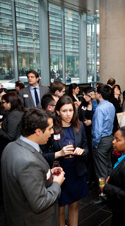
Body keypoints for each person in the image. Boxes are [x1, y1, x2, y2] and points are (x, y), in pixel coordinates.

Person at [1, 108, 65, 226]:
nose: (52, 132)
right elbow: (40, 203)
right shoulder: (28, 162)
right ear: (38, 131)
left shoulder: (10, 147)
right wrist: (57, 183)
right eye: (50, 128)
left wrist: (47, 173)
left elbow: (23, 180)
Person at [45, 96, 89, 226]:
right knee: (60, 207)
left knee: (74, 205)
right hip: (59, 173)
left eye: (71, 110)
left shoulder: (79, 126)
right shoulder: (52, 128)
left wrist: (82, 151)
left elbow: (87, 147)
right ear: (58, 111)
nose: (68, 114)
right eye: (64, 111)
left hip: (76, 171)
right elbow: (43, 154)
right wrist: (59, 153)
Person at [91, 84, 115, 205]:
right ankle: (110, 191)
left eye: (96, 92)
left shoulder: (100, 109)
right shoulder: (110, 105)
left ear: (99, 94)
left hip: (101, 141)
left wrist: (95, 142)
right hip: (109, 138)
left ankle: (103, 194)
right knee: (108, 166)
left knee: (101, 171)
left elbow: (98, 129)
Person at [78, 87, 96, 185]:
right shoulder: (82, 105)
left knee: (92, 156)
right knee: (85, 155)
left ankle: (92, 177)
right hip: (83, 132)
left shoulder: (96, 105)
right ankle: (86, 176)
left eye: (86, 95)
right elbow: (79, 116)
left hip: (92, 133)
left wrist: (91, 122)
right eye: (83, 95)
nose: (84, 97)